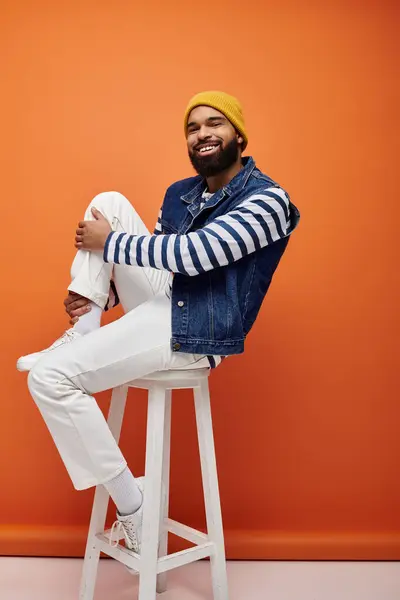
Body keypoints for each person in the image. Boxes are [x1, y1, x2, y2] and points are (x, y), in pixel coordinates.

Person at [17, 91, 300, 554]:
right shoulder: (179, 193)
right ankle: (84, 325)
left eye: (215, 124)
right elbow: (161, 262)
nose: (203, 134)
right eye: (193, 128)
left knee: (50, 379)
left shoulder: (269, 201)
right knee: (106, 199)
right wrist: (103, 292)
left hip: (199, 331)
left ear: (239, 136)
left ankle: (133, 506)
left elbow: (196, 256)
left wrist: (109, 245)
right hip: (165, 303)